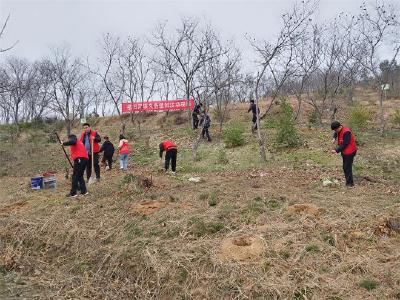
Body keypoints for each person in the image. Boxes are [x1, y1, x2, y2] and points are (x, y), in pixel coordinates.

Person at [330, 121, 358, 187]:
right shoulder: (339, 129)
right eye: (334, 130)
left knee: (347, 167)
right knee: (345, 167)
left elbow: (345, 144)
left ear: (339, 127)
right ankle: (348, 182)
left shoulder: (346, 132)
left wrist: (336, 150)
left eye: (336, 129)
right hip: (345, 152)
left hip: (350, 152)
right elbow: (336, 132)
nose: (335, 131)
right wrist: (334, 138)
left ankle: (350, 184)